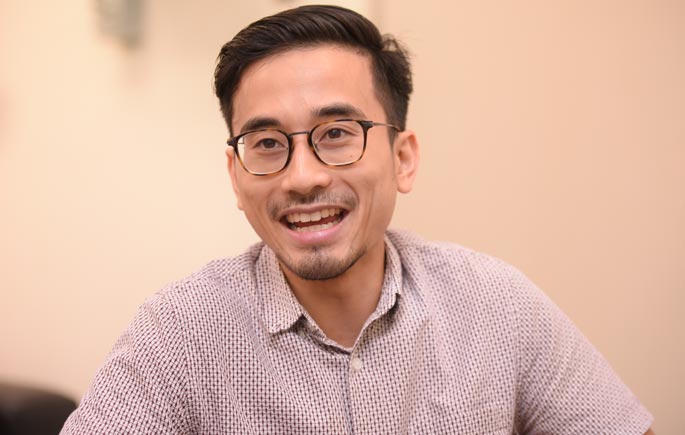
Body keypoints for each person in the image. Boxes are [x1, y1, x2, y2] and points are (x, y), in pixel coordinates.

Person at [60, 5, 654, 434]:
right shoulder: (179, 334)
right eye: (266, 143)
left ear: (402, 158)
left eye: (337, 134)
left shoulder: (495, 306)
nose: (302, 177)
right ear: (236, 177)